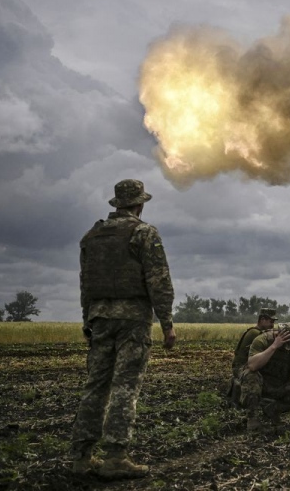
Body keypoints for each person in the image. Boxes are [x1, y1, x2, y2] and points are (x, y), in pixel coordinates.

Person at [70, 179, 176, 479]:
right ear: (139, 204)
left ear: (117, 204)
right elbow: (159, 281)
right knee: (124, 386)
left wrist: (87, 319)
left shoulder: (91, 236)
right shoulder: (144, 233)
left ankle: (81, 456)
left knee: (95, 386)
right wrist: (167, 323)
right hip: (132, 320)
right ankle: (115, 457)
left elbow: (85, 284)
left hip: (99, 319)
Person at [241, 322, 290, 428]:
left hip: (280, 384)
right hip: (261, 383)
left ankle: (272, 408)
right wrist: (274, 346)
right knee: (250, 375)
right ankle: (252, 416)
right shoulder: (262, 340)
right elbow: (252, 365)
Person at [227, 308, 277, 405]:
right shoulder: (256, 334)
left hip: (245, 364)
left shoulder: (256, 332)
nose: (272, 325)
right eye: (271, 321)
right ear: (262, 320)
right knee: (254, 376)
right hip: (241, 366)